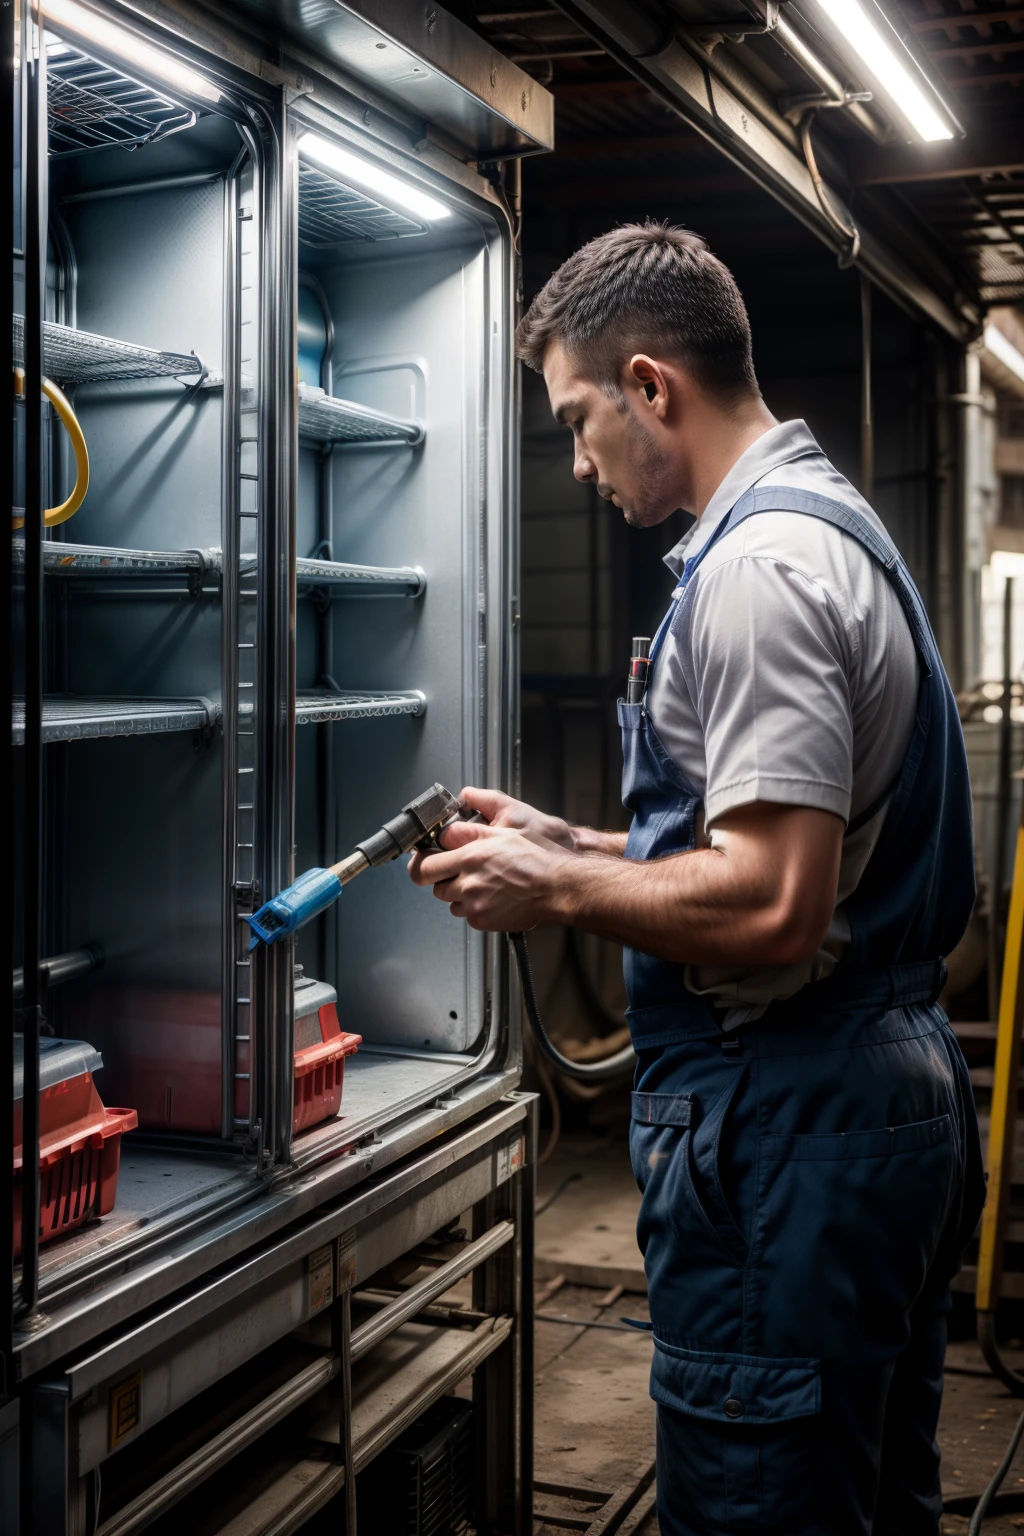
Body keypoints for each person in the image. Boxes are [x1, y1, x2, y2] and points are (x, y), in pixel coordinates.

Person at [409, 222, 984, 1535]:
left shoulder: (759, 574)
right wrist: (569, 848)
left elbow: (776, 907)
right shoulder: (825, 525)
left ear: (650, 387)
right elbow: (791, 856)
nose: (577, 460)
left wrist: (551, 898)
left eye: (576, 417)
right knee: (866, 1498)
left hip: (795, 1120)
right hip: (868, 1092)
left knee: (766, 1505)